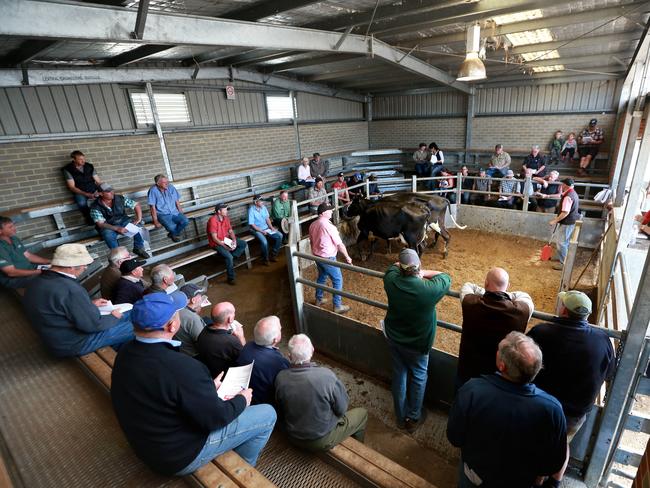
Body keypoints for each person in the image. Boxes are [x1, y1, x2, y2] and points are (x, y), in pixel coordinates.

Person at [110, 292, 276, 476]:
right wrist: (242, 400)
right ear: (172, 325)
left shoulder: (125, 353)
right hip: (178, 455)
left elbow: (165, 389)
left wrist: (205, 389)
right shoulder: (185, 367)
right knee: (268, 414)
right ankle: (243, 471)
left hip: (146, 442)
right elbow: (215, 419)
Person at [448, 332, 567, 488]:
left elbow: (454, 437)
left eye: (499, 351)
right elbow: (553, 463)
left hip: (476, 475)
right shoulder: (552, 409)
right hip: (520, 481)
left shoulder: (472, 391)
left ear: (501, 366)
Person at [528, 291, 614, 443]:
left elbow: (522, 363)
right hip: (572, 417)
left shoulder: (541, 332)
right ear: (587, 315)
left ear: (564, 311)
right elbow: (608, 373)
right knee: (555, 448)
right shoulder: (602, 340)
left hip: (536, 406)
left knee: (524, 440)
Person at [22, 243, 134, 357]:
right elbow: (93, 325)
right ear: (71, 266)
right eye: (84, 264)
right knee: (137, 325)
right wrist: (113, 317)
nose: (85, 267)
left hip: (53, 334)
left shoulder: (37, 280)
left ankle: (121, 350)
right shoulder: (70, 289)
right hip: (73, 342)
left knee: (130, 315)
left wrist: (89, 304)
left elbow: (58, 305)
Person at [383, 249, 451, 432]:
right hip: (418, 343)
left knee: (399, 374)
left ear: (402, 269)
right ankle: (413, 418)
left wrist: (406, 267)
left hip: (395, 337)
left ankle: (399, 416)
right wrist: (424, 273)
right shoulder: (428, 289)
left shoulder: (390, 280)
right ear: (418, 267)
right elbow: (445, 277)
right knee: (419, 376)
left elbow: (393, 267)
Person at [275, 334, 368, 451]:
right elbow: (342, 409)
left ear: (289, 356)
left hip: (293, 436)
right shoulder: (326, 376)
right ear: (312, 350)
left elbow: (281, 407)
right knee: (362, 414)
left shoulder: (280, 377)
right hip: (319, 440)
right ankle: (358, 451)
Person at [457, 268, 534, 387]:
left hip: (469, 369)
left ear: (486, 283)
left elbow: (468, 286)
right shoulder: (521, 311)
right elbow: (523, 295)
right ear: (508, 286)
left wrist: (487, 291)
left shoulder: (470, 303)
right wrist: (504, 293)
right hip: (501, 374)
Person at [308, 203, 352, 314]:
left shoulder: (313, 224)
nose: (331, 211)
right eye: (329, 210)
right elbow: (339, 244)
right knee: (337, 280)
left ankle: (319, 299)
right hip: (328, 257)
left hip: (318, 256)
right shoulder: (328, 226)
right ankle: (337, 305)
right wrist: (347, 257)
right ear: (323, 213)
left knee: (322, 277)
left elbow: (312, 241)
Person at [236, 315, 289, 405]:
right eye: (280, 329)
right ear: (275, 340)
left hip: (247, 395)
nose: (281, 329)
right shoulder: (279, 363)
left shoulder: (247, 346)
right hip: (265, 404)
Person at [90, 183, 149, 259]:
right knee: (108, 235)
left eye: (112, 190)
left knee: (139, 227)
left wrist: (139, 218)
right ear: (101, 193)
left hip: (123, 220)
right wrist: (117, 228)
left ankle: (138, 248)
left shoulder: (119, 198)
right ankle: (119, 256)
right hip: (108, 226)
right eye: (108, 191)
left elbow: (136, 205)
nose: (112, 193)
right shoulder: (95, 206)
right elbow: (101, 224)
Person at [196, 302, 246, 378]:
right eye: (234, 313)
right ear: (230, 319)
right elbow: (245, 358)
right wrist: (241, 337)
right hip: (223, 377)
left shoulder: (205, 330)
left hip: (207, 371)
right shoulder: (231, 341)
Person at [0, 216, 50, 289]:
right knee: (50, 279)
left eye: (13, 225)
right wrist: (37, 272)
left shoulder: (14, 238)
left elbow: (28, 255)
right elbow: (11, 272)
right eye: (10, 227)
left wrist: (49, 261)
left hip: (30, 269)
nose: (14, 228)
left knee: (58, 269)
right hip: (15, 279)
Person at [207, 203, 247, 285]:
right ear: (218, 211)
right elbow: (214, 238)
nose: (226, 211)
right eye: (224, 210)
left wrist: (234, 240)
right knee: (229, 257)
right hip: (216, 243)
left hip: (225, 239)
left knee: (243, 243)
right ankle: (231, 278)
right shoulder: (212, 220)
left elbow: (230, 231)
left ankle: (233, 258)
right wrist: (226, 247)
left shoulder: (225, 218)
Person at [549, 178, 580, 271]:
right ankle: (561, 257)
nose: (561, 186)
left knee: (561, 242)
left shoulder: (568, 196)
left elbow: (565, 212)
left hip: (567, 222)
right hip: (569, 221)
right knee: (563, 241)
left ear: (565, 185)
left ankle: (564, 263)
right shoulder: (573, 193)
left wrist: (555, 220)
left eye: (562, 184)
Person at [147, 174, 189, 243]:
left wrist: (181, 213)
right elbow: (152, 208)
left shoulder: (171, 187)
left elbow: (177, 201)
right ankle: (174, 233)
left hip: (174, 212)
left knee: (185, 221)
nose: (167, 184)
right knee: (171, 227)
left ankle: (173, 234)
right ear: (158, 183)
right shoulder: (153, 190)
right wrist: (155, 221)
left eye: (167, 182)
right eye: (164, 182)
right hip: (163, 214)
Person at [62, 150, 102, 221]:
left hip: (92, 188)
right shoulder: (68, 169)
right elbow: (72, 187)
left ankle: (102, 216)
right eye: (80, 159)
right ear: (74, 160)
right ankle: (89, 218)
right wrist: (86, 194)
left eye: (84, 159)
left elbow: (98, 181)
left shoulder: (89, 166)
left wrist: (104, 189)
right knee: (81, 203)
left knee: (104, 198)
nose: (83, 161)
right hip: (80, 191)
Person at [248, 195, 282, 266]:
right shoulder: (251, 210)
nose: (262, 202)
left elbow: (267, 219)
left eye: (262, 201)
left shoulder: (263, 207)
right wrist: (261, 231)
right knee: (264, 242)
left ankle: (273, 254)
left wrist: (271, 227)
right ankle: (265, 259)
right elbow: (252, 225)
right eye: (260, 201)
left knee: (280, 235)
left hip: (266, 228)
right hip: (256, 229)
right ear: (255, 202)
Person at [176, 283, 208, 358]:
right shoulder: (192, 319)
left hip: (181, 348)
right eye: (200, 295)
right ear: (193, 300)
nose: (201, 297)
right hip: (194, 355)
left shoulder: (178, 308)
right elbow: (204, 343)